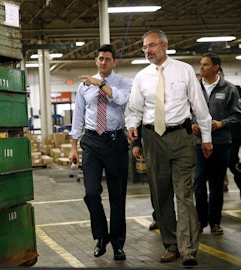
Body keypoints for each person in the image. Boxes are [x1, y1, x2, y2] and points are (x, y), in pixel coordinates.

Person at [125, 29, 213, 267]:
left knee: (184, 195)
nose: (148, 51)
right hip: (153, 139)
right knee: (160, 194)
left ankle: (188, 249)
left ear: (165, 45)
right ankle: (171, 245)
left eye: (151, 46)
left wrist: (206, 138)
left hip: (181, 137)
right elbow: (134, 109)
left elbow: (199, 106)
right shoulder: (142, 77)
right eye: (144, 48)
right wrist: (133, 129)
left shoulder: (184, 70)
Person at [69, 44, 132, 261]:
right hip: (92, 142)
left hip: (116, 143)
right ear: (96, 61)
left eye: (107, 59)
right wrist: (73, 146)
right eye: (99, 58)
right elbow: (78, 116)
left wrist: (99, 83)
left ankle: (118, 245)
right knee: (91, 192)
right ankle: (101, 236)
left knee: (117, 197)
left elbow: (122, 100)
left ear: (114, 62)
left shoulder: (124, 83)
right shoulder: (83, 87)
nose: (103, 62)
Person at [193, 53, 241, 236]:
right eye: (201, 64)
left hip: (221, 143)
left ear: (216, 67)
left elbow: (238, 115)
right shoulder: (194, 88)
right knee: (198, 181)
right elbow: (186, 110)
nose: (201, 68)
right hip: (198, 143)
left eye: (205, 65)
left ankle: (215, 222)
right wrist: (192, 124)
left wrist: (222, 123)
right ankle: (200, 220)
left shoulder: (229, 89)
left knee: (216, 183)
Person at [218, 68, 241, 199]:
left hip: (233, 134)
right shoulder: (208, 92)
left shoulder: (234, 88)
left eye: (220, 74)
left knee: (232, 162)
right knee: (218, 164)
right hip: (217, 134)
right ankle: (219, 190)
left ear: (223, 75)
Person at [131, 125, 159, 231]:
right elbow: (138, 117)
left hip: (175, 137)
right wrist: (136, 144)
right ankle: (158, 217)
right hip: (151, 140)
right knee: (155, 182)